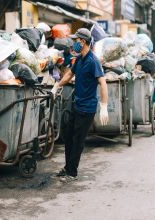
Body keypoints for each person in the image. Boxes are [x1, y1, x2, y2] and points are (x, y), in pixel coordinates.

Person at [51, 28, 109, 183]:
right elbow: (69, 75)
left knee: (78, 140)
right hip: (77, 105)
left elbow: (103, 83)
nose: (74, 43)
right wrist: (57, 85)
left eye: (76, 40)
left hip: (87, 108)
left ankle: (72, 172)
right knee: (68, 136)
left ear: (83, 42)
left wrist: (104, 106)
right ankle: (67, 167)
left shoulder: (93, 61)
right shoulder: (80, 59)